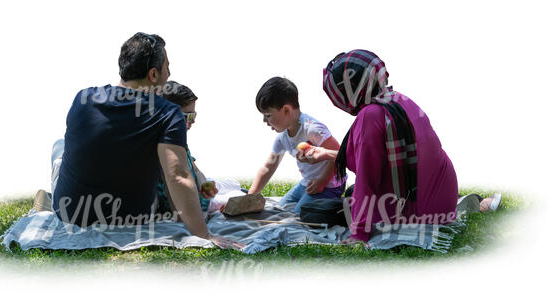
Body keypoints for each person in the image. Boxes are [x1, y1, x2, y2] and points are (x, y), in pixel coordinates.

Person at [51, 32, 242, 249]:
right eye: (167, 67)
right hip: (133, 217)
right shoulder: (168, 114)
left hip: (70, 213)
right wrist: (203, 235)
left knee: (60, 146)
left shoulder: (82, 98)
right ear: (153, 74)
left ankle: (52, 194)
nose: (169, 73)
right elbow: (178, 175)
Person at [301, 49, 459, 244]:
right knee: (351, 195)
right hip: (444, 198)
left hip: (418, 213)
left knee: (315, 212)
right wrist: (326, 154)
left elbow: (367, 180)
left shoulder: (370, 117)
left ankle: (363, 220)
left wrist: (358, 234)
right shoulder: (397, 99)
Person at [248, 77, 345, 213]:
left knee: (299, 216)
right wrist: (249, 197)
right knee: (279, 210)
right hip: (306, 184)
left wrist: (323, 180)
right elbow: (268, 167)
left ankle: (339, 203)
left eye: (268, 115)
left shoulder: (312, 129)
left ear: (286, 110)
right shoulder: (283, 138)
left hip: (330, 185)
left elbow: (340, 155)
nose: (265, 121)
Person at [157, 81, 246, 214]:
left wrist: (204, 184)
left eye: (194, 116)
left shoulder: (177, 138)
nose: (192, 122)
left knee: (234, 183)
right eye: (187, 116)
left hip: (195, 190)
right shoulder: (166, 144)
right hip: (192, 202)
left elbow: (195, 169)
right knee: (238, 194)